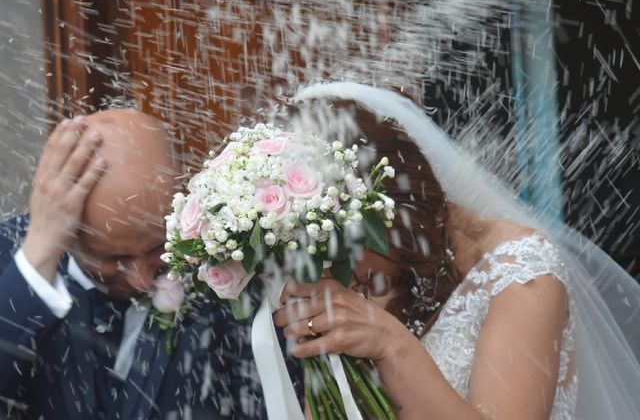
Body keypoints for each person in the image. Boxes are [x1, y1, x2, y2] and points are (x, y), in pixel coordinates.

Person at [272, 82, 640, 419]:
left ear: (389, 207)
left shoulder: (522, 269)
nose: (327, 270)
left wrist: (389, 343)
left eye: (333, 244)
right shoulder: (376, 280)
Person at [0, 110, 261, 419]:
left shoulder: (225, 267)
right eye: (114, 258)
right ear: (69, 233)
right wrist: (39, 255)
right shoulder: (13, 269)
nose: (140, 280)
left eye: (155, 248)